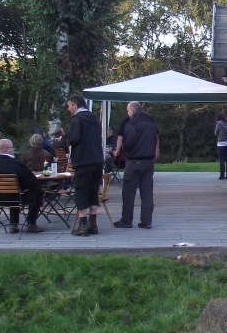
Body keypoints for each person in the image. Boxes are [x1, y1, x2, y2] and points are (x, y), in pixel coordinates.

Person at [0, 139, 45, 234]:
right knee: (37, 192)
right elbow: (32, 183)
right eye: (12, 147)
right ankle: (31, 224)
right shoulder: (16, 164)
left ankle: (13, 224)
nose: (13, 149)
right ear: (5, 149)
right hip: (18, 198)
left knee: (14, 193)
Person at [114, 101, 159, 229]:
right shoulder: (151, 122)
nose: (127, 113)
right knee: (147, 192)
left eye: (128, 111)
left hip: (135, 161)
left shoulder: (132, 123)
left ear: (133, 110)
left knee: (129, 191)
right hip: (149, 161)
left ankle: (126, 220)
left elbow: (127, 143)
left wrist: (125, 149)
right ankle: (146, 221)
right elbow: (156, 137)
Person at [66, 94, 104, 236]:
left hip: (83, 160)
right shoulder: (94, 119)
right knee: (93, 191)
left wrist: (64, 140)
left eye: (69, 106)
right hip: (97, 159)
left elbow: (75, 138)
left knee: (81, 191)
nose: (68, 109)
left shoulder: (77, 119)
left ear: (75, 105)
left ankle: (83, 225)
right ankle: (93, 224)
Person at [215, 112, 227, 180]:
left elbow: (215, 132)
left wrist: (219, 134)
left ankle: (222, 175)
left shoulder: (219, 124)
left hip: (221, 143)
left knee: (222, 159)